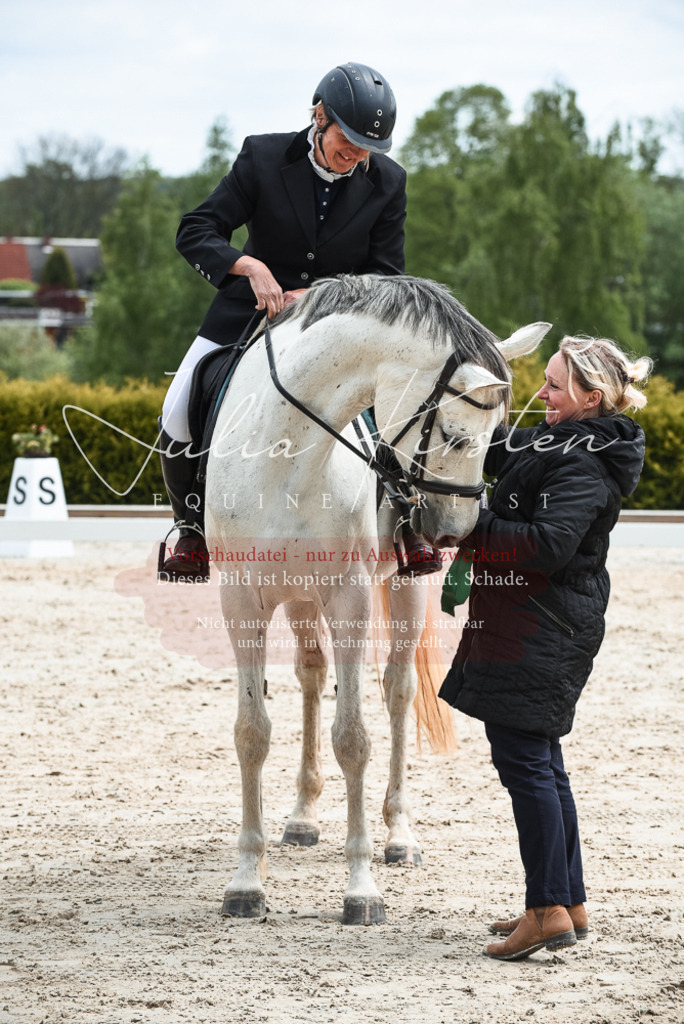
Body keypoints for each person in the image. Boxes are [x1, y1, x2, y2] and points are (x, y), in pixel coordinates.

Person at [159, 61, 439, 580]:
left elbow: (387, 275)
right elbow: (197, 228)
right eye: (348, 141)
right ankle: (191, 530)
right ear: (319, 116)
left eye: (368, 148)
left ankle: (405, 522)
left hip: (340, 320)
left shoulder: (389, 182)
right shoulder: (263, 157)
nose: (357, 156)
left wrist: (322, 295)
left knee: (393, 404)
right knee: (176, 410)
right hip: (250, 311)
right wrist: (248, 266)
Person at [438, 335, 651, 961]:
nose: (541, 393)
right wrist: (445, 408)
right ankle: (568, 902)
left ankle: (546, 910)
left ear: (591, 397)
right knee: (543, 763)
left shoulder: (582, 462)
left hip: (542, 625)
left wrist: (471, 523)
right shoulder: (566, 440)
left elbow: (547, 545)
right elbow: (497, 447)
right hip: (537, 621)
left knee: (526, 765)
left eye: (554, 385)